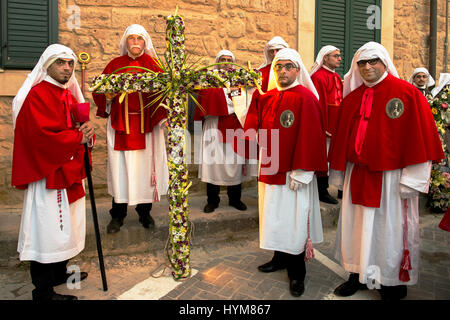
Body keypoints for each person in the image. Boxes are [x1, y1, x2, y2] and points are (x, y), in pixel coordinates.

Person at [328, 42, 444, 300]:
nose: (367, 67)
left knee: (388, 231)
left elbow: (420, 139)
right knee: (356, 227)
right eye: (362, 63)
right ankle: (356, 274)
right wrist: (339, 173)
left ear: (384, 62)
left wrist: (412, 179)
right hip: (357, 175)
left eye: (373, 61)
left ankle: (390, 281)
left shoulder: (406, 94)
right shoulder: (352, 99)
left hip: (391, 179)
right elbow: (340, 142)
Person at [11, 44, 94, 300]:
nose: (67, 68)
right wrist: (76, 138)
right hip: (47, 172)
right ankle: (43, 291)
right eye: (61, 63)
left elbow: (75, 127)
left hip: (66, 170)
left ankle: (59, 273)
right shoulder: (38, 95)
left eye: (70, 63)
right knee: (46, 228)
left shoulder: (67, 94)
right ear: (48, 65)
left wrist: (86, 133)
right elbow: (40, 138)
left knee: (64, 225)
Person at [245, 48, 328, 297]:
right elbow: (252, 123)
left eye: (288, 67)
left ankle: (297, 272)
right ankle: (279, 258)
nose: (283, 71)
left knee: (294, 220)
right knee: (274, 215)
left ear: (298, 70)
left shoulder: (305, 98)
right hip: (270, 168)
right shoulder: (265, 96)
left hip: (294, 172)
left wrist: (303, 170)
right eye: (279, 66)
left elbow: (312, 136)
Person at [92, 24, 169, 234]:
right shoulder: (114, 65)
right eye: (132, 38)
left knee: (145, 172)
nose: (136, 42)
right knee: (121, 171)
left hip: (147, 128)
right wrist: (107, 95)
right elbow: (100, 91)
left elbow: (164, 95)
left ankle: (145, 213)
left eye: (140, 39)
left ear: (145, 42)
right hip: (121, 127)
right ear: (126, 42)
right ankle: (118, 215)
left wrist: (164, 118)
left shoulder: (154, 66)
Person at [194, 50, 258, 213]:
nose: (226, 62)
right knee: (213, 163)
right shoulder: (209, 79)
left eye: (230, 59)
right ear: (217, 61)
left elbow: (245, 102)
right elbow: (206, 99)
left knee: (234, 163)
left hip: (235, 126)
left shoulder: (240, 80)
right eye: (223, 59)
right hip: (214, 126)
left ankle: (235, 199)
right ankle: (212, 200)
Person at [310, 45, 344, 204]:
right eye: (335, 56)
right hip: (325, 125)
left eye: (339, 55)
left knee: (331, 158)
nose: (339, 58)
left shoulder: (336, 76)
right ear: (325, 58)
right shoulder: (318, 77)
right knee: (323, 158)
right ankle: (321, 191)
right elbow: (319, 103)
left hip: (336, 125)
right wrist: (323, 126)